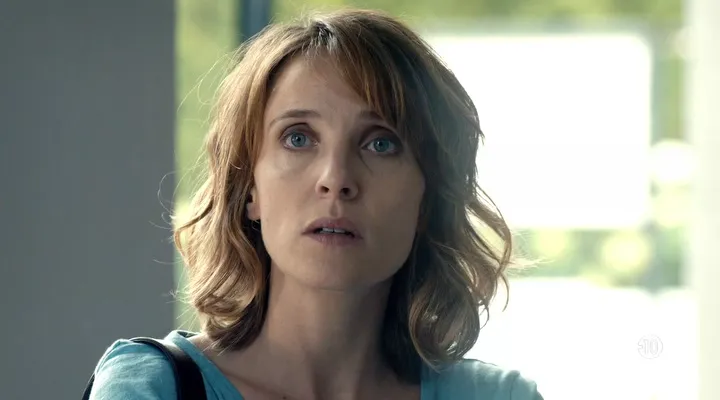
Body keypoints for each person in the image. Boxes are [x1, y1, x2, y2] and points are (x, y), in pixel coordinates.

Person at [88, 8, 542, 400]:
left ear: (428, 199)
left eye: (380, 143)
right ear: (250, 188)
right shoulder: (154, 386)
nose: (336, 179)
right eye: (298, 138)